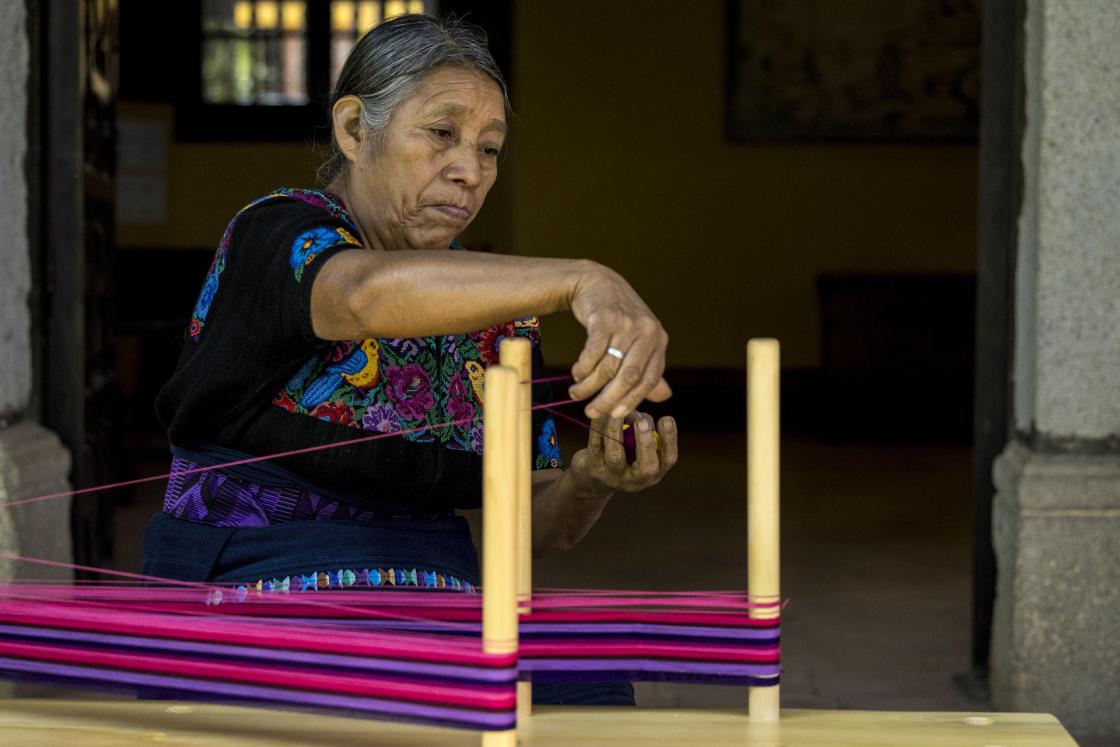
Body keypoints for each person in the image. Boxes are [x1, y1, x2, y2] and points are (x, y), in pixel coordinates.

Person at [142, 14, 676, 706]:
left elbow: (524, 531)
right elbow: (361, 294)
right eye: (441, 133)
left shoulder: (491, 311)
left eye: (489, 149)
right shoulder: (276, 233)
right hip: (258, 587)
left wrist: (589, 480)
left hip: (428, 598)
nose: (468, 170)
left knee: (590, 698)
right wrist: (583, 278)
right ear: (354, 130)